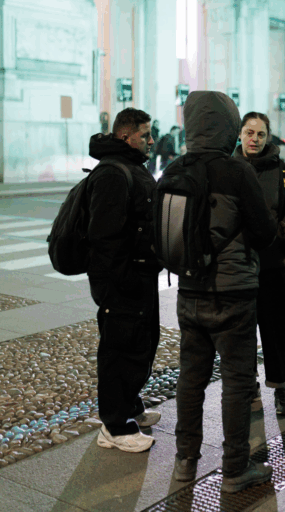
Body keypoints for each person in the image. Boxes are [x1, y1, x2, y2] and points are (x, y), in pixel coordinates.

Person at [172, 91, 278, 493]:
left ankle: (185, 462)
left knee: (190, 380)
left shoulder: (176, 170)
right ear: (229, 126)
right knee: (236, 382)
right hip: (233, 294)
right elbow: (265, 233)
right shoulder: (237, 172)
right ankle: (235, 468)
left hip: (189, 291)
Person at [86, 107, 162, 453]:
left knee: (139, 344)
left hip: (139, 276)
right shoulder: (112, 173)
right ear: (125, 136)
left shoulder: (128, 167)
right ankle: (114, 427)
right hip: (122, 282)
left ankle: (129, 404)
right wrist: (125, 281)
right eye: (145, 134)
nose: (151, 140)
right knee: (119, 349)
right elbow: (104, 238)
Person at [232, 112, 285, 416]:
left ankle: (280, 387)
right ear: (239, 134)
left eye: (261, 134)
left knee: (276, 330)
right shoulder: (228, 168)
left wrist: (279, 239)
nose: (255, 139)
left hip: (273, 266)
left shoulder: (282, 171)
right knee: (242, 330)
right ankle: (249, 388)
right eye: (250, 133)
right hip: (237, 268)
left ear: (268, 137)